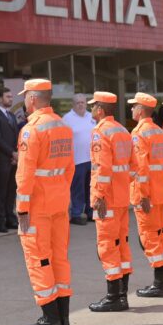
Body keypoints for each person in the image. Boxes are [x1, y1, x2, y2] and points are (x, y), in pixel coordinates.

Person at [16, 79, 75, 325]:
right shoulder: (63, 126)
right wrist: (61, 192)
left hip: (38, 205)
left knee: (38, 258)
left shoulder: (32, 130)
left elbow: (25, 173)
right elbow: (70, 168)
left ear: (32, 98)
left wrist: (21, 207)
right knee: (59, 257)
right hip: (59, 201)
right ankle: (63, 319)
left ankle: (50, 318)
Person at [86, 91, 134, 312]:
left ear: (100, 109)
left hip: (108, 198)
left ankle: (114, 297)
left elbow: (102, 169)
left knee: (107, 246)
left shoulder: (101, 132)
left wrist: (99, 196)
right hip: (122, 196)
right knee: (121, 243)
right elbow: (132, 166)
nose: (91, 110)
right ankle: (122, 294)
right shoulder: (123, 130)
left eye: (93, 106)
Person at [127, 92, 163, 298]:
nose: (131, 110)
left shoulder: (139, 134)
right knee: (159, 236)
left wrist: (143, 195)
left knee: (149, 237)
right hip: (161, 192)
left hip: (147, 195)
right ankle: (162, 281)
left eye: (133, 106)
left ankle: (160, 284)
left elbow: (141, 168)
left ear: (141, 110)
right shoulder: (160, 132)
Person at [0, 87, 21, 232]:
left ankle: (10, 217)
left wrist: (17, 153)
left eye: (11, 96)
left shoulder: (12, 115)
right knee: (1, 191)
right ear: (0, 98)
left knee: (11, 190)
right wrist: (11, 153)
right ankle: (0, 221)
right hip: (2, 159)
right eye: (8, 97)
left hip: (14, 158)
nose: (11, 99)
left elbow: (17, 136)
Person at [64, 93, 96, 226]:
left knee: (91, 187)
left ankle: (90, 211)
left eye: (83, 102)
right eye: (78, 102)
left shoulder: (92, 117)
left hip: (92, 159)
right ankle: (76, 213)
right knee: (78, 189)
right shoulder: (67, 119)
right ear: (73, 104)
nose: (81, 105)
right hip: (76, 160)